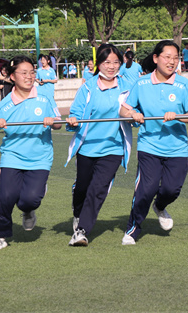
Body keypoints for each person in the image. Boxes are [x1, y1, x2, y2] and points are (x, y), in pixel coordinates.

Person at [119, 40, 188, 245]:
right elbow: (123, 110)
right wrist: (132, 114)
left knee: (171, 190)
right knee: (146, 190)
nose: (172, 62)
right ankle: (132, 229)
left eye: (175, 58)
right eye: (167, 57)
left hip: (177, 148)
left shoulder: (183, 84)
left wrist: (178, 116)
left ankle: (160, 206)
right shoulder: (142, 83)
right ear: (156, 58)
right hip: (149, 145)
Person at [0, 55, 62, 251]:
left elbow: (58, 123)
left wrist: (52, 121)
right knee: (5, 196)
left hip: (40, 157)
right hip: (12, 155)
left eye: (32, 72)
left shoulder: (44, 98)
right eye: (24, 73)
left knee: (30, 199)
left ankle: (28, 210)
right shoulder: (6, 103)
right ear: (12, 77)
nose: (29, 77)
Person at [65, 44, 133, 247]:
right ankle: (78, 211)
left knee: (98, 188)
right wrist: (73, 121)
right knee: (82, 187)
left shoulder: (127, 86)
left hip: (113, 148)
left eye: (116, 62)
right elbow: (75, 113)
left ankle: (81, 231)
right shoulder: (88, 87)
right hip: (87, 147)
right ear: (98, 64)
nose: (111, 66)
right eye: (107, 62)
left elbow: (134, 109)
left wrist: (135, 115)